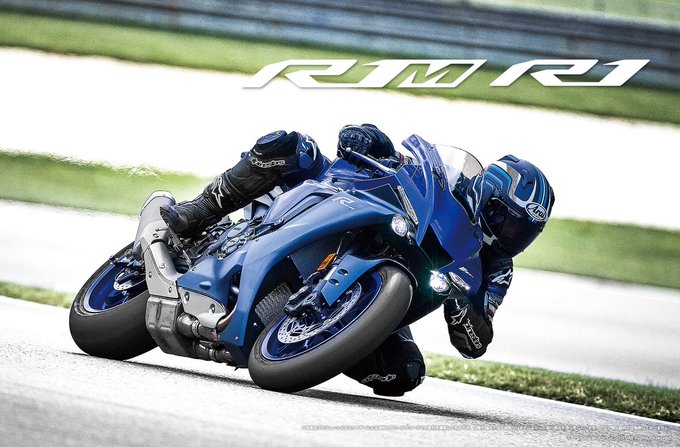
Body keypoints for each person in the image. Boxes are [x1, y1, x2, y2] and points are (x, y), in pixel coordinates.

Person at [160, 124, 555, 396]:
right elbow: (399, 161)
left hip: (387, 292)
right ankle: (200, 211)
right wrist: (370, 139)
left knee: (404, 373)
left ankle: (313, 345)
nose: (508, 235)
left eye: (522, 233)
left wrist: (462, 307)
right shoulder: (447, 183)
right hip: (358, 212)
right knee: (291, 145)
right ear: (487, 195)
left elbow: (475, 343)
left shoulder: (496, 268)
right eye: (505, 220)